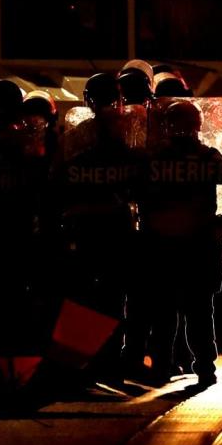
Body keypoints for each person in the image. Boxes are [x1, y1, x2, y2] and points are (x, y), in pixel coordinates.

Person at [54, 73, 146, 381]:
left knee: (89, 297)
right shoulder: (130, 134)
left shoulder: (79, 136)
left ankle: (88, 359)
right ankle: (108, 358)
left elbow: (60, 178)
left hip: (89, 227)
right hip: (113, 226)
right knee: (111, 296)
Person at [136, 101, 222, 387]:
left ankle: (164, 367)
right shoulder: (209, 157)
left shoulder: (154, 159)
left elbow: (141, 199)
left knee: (165, 314)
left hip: (165, 248)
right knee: (198, 313)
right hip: (195, 249)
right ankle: (203, 368)